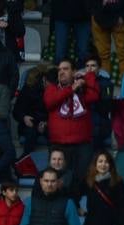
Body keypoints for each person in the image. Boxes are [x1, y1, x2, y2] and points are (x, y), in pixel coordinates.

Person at [44, 59, 100, 187]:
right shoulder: (52, 88)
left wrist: (88, 76)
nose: (61, 72)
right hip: (59, 145)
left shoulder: (82, 90)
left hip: (82, 145)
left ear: (74, 72)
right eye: (59, 69)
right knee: (57, 182)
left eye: (65, 69)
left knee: (81, 181)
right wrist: (71, 89)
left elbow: (94, 96)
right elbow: (50, 102)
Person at [91, 0, 124, 75]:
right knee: (103, 55)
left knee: (123, 55)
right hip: (99, 17)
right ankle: (104, 80)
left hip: (119, 18)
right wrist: (94, 12)